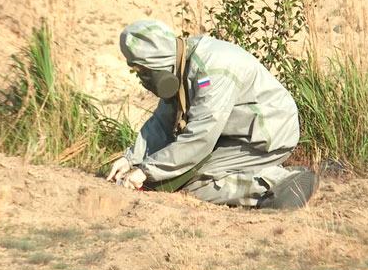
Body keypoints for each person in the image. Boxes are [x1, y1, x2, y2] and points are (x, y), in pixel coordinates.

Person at [106, 19, 318, 209]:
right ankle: (261, 176)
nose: (142, 78)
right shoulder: (180, 62)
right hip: (236, 133)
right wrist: (131, 159)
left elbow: (201, 137)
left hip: (267, 134)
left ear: (157, 61)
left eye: (142, 71)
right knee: (176, 174)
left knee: (193, 183)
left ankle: (277, 182)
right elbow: (162, 122)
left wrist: (146, 170)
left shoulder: (212, 71)